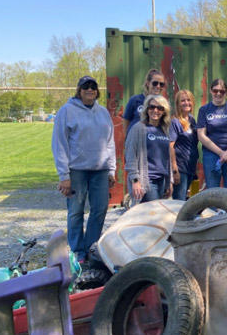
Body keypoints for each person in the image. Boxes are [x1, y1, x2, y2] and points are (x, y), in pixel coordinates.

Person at [52, 76, 116, 263]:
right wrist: (64, 175)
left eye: (93, 87)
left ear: (97, 91)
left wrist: (111, 169)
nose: (90, 90)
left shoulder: (103, 112)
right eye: (86, 87)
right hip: (77, 170)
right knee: (76, 211)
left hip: (100, 170)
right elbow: (60, 144)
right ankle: (78, 251)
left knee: (100, 208)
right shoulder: (67, 111)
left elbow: (110, 142)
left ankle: (91, 247)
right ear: (79, 90)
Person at [125, 95, 173, 203]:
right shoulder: (138, 128)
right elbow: (130, 155)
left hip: (162, 180)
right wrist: (135, 180)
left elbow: (166, 157)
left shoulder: (164, 129)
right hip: (147, 181)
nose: (155, 110)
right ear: (147, 109)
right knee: (155, 213)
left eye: (160, 108)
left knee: (154, 216)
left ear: (164, 111)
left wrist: (169, 181)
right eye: (152, 107)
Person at [196, 79, 227, 190]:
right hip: (211, 155)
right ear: (210, 91)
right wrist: (221, 153)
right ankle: (213, 208)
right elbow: (201, 135)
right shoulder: (204, 110)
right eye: (215, 90)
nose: (218, 94)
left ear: (226, 92)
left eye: (221, 91)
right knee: (213, 190)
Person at [170, 90, 199, 200]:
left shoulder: (192, 120)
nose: (186, 103)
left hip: (190, 167)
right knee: (179, 202)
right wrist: (175, 170)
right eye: (183, 101)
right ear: (178, 104)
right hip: (180, 168)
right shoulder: (175, 122)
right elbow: (170, 146)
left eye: (188, 100)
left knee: (187, 201)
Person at [123, 69, 166, 137]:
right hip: (136, 142)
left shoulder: (163, 104)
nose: (158, 86)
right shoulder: (135, 100)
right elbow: (126, 122)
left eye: (161, 84)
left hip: (153, 142)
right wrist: (128, 139)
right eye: (155, 83)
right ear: (148, 83)